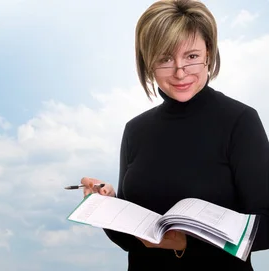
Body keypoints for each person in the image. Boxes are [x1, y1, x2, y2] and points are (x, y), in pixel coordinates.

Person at [80, 0, 269, 270]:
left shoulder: (240, 121)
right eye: (165, 59)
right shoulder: (135, 130)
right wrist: (106, 206)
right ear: (148, 62)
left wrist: (187, 243)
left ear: (209, 54)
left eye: (191, 57)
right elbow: (131, 240)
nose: (180, 72)